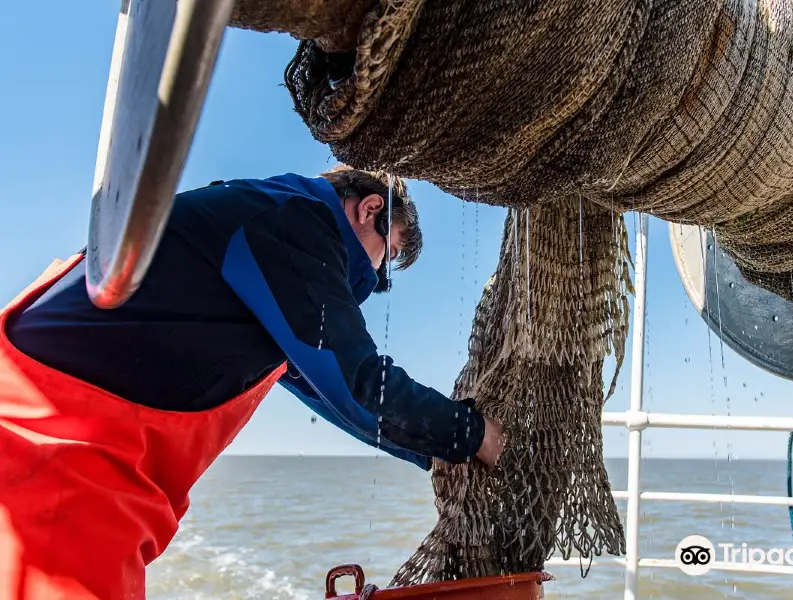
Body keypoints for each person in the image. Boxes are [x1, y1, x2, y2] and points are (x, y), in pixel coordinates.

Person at [0, 165, 504, 600]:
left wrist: (434, 454)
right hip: (53, 446)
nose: (374, 278)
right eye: (384, 261)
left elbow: (334, 397)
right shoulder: (292, 222)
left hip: (67, 447)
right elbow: (356, 381)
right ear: (368, 208)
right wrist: (475, 435)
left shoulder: (262, 241)